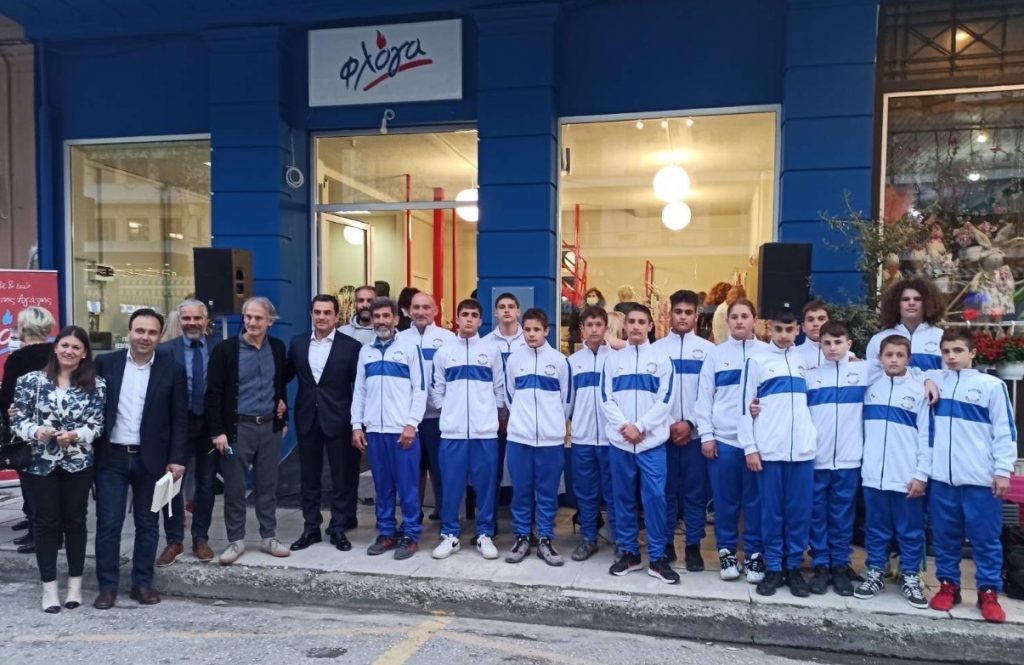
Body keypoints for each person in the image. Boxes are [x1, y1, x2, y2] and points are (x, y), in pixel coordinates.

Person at [93, 308, 188, 609]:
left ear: (160, 336)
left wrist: (177, 458)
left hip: (153, 460)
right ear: (130, 332)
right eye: (140, 331)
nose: (145, 337)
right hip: (112, 458)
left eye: (151, 332)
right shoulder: (105, 363)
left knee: (148, 525)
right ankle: (107, 588)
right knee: (109, 524)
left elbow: (180, 418)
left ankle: (142, 584)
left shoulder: (172, 369)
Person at [923, 328, 1016, 623]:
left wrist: (1003, 471)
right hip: (942, 478)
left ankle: (988, 591)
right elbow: (904, 374)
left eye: (958, 350)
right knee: (945, 537)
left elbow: (1005, 430)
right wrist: (926, 380)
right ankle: (948, 585)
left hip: (980, 478)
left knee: (985, 538)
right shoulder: (935, 381)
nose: (951, 356)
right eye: (946, 351)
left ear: (973, 353)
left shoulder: (991, 386)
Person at [12, 326, 105, 613]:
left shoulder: (96, 385)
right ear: (55, 347)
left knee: (75, 522)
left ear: (84, 353)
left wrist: (75, 435)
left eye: (76, 347)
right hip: (39, 464)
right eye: (65, 345)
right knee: (45, 523)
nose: (69, 351)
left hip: (78, 463)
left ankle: (75, 586)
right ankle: (49, 588)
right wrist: (36, 430)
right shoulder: (30, 381)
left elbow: (97, 425)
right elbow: (18, 420)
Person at [738, 306, 817, 598]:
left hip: (802, 452)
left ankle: (793, 567)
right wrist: (750, 447)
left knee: (799, 513)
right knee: (771, 513)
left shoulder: (806, 360)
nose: (784, 335)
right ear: (770, 329)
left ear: (798, 330)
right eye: (779, 329)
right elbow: (744, 406)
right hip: (770, 450)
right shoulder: (757, 360)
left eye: (790, 330)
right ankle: (773, 567)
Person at [207, 297, 290, 565]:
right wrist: (218, 431)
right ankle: (236, 540)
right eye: (248, 317)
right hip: (237, 430)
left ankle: (269, 537)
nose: (252, 322)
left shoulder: (277, 347)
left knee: (268, 485)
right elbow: (213, 393)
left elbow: (280, 386)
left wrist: (283, 419)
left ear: (270, 321)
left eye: (258, 318)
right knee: (235, 486)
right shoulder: (225, 350)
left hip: (269, 427)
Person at [601, 304, 678, 584]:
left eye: (641, 322)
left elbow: (666, 400)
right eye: (631, 321)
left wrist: (641, 427)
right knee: (622, 499)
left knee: (655, 499)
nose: (635, 326)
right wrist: (626, 427)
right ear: (625, 326)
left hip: (651, 444)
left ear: (650, 326)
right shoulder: (613, 361)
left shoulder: (662, 359)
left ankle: (657, 558)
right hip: (621, 443)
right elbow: (605, 398)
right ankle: (630, 553)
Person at [853, 335, 931, 608]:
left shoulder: (919, 391)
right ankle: (875, 571)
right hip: (874, 474)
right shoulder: (870, 387)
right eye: (889, 355)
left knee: (910, 531)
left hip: (906, 476)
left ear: (909, 359)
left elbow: (927, 436)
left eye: (900, 355)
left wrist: (921, 474)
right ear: (880, 358)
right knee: (875, 528)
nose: (894, 360)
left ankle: (910, 576)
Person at [695, 298, 767, 583]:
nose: (739, 321)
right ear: (728, 322)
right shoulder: (716, 355)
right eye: (734, 317)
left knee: (755, 502)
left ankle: (753, 554)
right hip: (723, 441)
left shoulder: (767, 354)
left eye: (744, 316)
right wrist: (707, 436)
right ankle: (726, 552)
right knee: (725, 503)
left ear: (754, 320)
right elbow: (704, 398)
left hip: (757, 445)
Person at [285, 294, 362, 553]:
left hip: (339, 419)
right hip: (307, 417)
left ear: (336, 316)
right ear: (311, 314)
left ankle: (338, 528)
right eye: (317, 312)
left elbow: (359, 387)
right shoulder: (297, 343)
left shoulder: (351, 347)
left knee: (341, 478)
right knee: (309, 477)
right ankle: (311, 528)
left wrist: (358, 423)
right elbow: (283, 376)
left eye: (327, 312)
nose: (321, 317)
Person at [429, 298, 504, 560]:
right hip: (453, 432)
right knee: (451, 486)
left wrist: (490, 416)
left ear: (481, 321)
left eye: (474, 315)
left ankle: (485, 534)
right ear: (457, 319)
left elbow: (499, 388)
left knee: (486, 486)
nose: (469, 319)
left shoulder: (491, 351)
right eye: (465, 314)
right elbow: (436, 390)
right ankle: (450, 535)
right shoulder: (444, 352)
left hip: (485, 432)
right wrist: (449, 412)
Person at [352, 297, 426, 560]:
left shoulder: (409, 348)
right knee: (382, 487)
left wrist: (411, 424)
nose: (381, 321)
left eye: (386, 316)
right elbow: (359, 391)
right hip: (375, 431)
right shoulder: (366, 351)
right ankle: (386, 533)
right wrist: (356, 425)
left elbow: (420, 389)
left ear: (396, 319)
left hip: (402, 432)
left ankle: (411, 534)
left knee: (408, 487)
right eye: (377, 316)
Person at [804, 321, 874, 596]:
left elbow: (903, 372)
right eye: (827, 343)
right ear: (820, 345)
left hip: (849, 458)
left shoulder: (865, 370)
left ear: (849, 344)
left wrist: (928, 381)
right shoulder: (810, 377)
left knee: (843, 515)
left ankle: (840, 565)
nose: (832, 348)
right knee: (817, 513)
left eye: (838, 342)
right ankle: (821, 564)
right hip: (817, 458)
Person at [650, 290, 714, 572]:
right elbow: (652, 395)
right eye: (678, 312)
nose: (683, 317)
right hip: (663, 435)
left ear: (696, 316)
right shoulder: (656, 350)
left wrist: (690, 423)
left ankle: (693, 546)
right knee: (665, 493)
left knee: (694, 494)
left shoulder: (709, 351)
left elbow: (709, 395)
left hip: (694, 435)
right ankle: (665, 544)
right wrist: (668, 424)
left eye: (689, 312)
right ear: (669, 314)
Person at [503, 308, 571, 566]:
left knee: (547, 493)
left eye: (537, 330)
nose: (531, 334)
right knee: (521, 491)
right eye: (527, 330)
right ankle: (522, 537)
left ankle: (545, 539)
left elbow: (567, 400)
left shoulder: (559, 361)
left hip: (550, 440)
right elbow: (510, 395)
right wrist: (522, 421)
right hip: (520, 438)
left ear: (546, 331)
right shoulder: (514, 360)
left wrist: (553, 425)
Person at [155, 299, 219, 566]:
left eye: (197, 318)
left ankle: (200, 538)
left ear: (206, 320)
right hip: (175, 427)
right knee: (171, 484)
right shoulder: (165, 351)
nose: (192, 323)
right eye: (187, 319)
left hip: (209, 426)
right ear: (179, 321)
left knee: (206, 484)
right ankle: (173, 540)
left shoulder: (218, 348)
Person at [0, 306, 57, 555]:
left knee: (30, 479)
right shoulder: (57, 353)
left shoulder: (18, 358)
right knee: (46, 481)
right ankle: (34, 523)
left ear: (24, 328)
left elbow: (7, 396)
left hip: (26, 429)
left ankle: (37, 529)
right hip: (54, 428)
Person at [397, 292, 456, 521]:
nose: (420, 312)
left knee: (440, 468)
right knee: (412, 469)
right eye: (416, 307)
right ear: (409, 310)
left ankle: (444, 514)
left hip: (437, 416)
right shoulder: (400, 338)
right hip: (408, 418)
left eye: (426, 307)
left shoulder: (448, 338)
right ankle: (413, 515)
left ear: (435, 310)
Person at [567, 306, 616, 561]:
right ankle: (589, 538)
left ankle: (621, 540)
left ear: (606, 327)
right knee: (586, 492)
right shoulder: (572, 362)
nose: (594, 330)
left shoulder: (617, 359)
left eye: (599, 325)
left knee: (615, 492)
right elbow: (567, 400)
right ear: (582, 329)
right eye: (589, 325)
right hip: (583, 438)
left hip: (612, 439)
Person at [484, 292, 528, 510]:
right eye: (502, 307)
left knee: (524, 470)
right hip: (493, 415)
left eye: (511, 306)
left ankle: (526, 519)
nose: (507, 310)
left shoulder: (529, 339)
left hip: (524, 414)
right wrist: (499, 410)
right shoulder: (485, 343)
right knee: (492, 469)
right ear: (495, 312)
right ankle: (489, 519)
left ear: (518, 311)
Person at [865, 278, 945, 371]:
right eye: (905, 299)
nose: (911, 303)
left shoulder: (941, 337)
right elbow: (872, 375)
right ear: (896, 304)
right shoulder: (878, 340)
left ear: (928, 303)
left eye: (917, 299)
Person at [795, 300, 855, 370]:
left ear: (830, 323)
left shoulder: (848, 356)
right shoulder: (793, 355)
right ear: (803, 327)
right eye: (810, 320)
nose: (816, 324)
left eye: (821, 319)